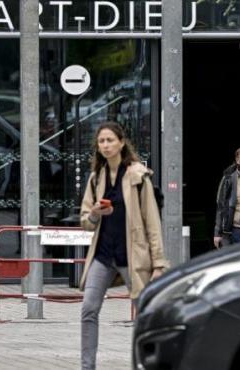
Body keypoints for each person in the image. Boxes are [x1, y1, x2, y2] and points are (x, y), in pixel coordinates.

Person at [79, 121, 168, 370]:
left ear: (121, 143)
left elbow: (152, 221)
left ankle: (148, 364)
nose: (105, 145)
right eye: (101, 142)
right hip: (103, 255)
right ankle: (87, 366)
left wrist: (159, 263)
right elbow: (85, 221)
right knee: (88, 309)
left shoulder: (138, 176)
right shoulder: (96, 178)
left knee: (145, 314)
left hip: (133, 256)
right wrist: (96, 213)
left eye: (109, 140)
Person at [213, 146, 240, 247]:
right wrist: (217, 233)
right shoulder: (229, 179)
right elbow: (221, 206)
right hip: (237, 230)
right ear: (237, 161)